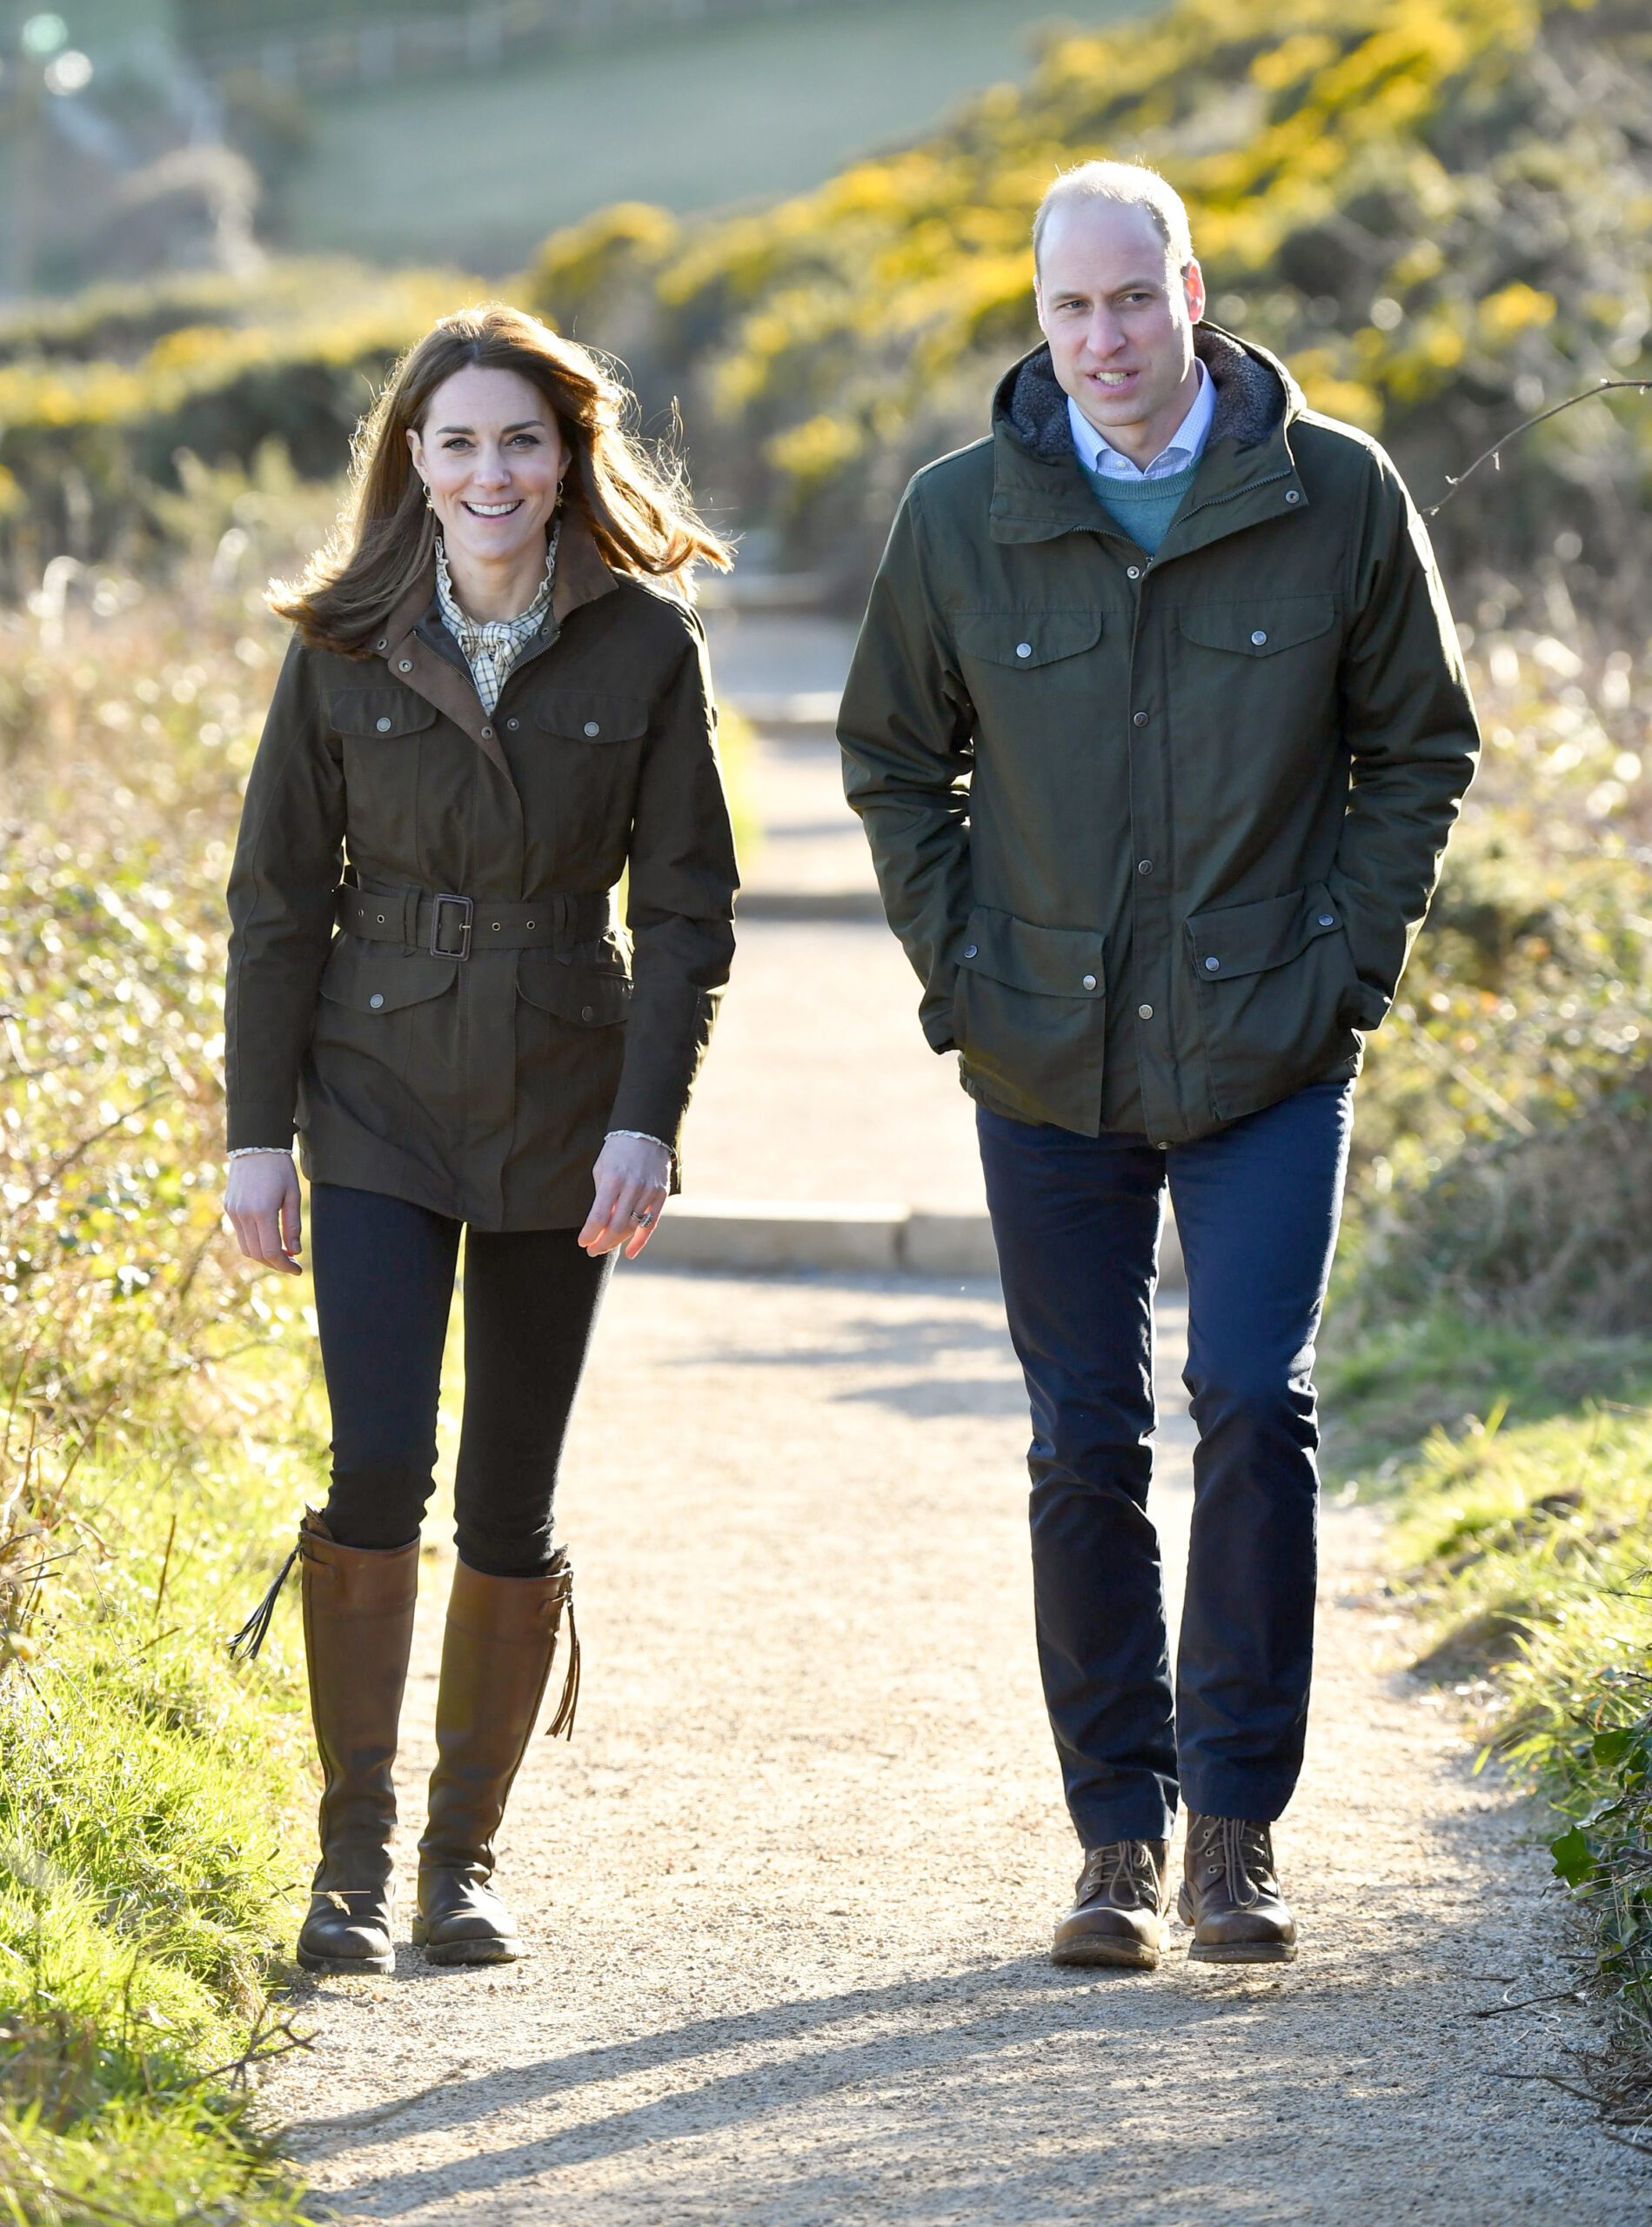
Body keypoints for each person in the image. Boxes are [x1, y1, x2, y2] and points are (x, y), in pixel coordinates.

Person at [839, 162, 1478, 1969]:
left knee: (1253, 1403)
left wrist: (1345, 966)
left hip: (1271, 1040)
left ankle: (1235, 1832)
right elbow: (891, 759)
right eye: (1068, 309)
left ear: (1189, 289)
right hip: (1041, 1054)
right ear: (1036, 318)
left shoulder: (1333, 490)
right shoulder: (960, 516)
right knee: (1079, 1435)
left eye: (1131, 300)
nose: (1102, 340)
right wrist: (964, 969)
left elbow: (1416, 746)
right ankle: (1113, 1838)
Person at [222, 304, 737, 1975]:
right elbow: (277, 906)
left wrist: (647, 1122)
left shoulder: (647, 649)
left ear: (564, 453)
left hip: (562, 1108)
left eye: (521, 439)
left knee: (512, 1495)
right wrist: (255, 1141)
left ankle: (463, 1862)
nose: (491, 470)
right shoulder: (339, 646)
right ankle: (350, 1864)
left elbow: (685, 912)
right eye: (458, 442)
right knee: (377, 1467)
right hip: (368, 1099)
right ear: (415, 464)